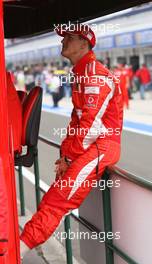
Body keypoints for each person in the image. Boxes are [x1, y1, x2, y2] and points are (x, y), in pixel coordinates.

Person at [20, 24, 123, 258]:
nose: (63, 41)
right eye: (63, 37)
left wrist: (68, 156)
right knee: (53, 200)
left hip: (101, 146)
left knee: (57, 201)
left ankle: (16, 251)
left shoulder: (95, 76)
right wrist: (64, 155)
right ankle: (20, 247)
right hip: (88, 148)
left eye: (69, 37)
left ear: (83, 43)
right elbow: (76, 122)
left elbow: (89, 125)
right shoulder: (82, 73)